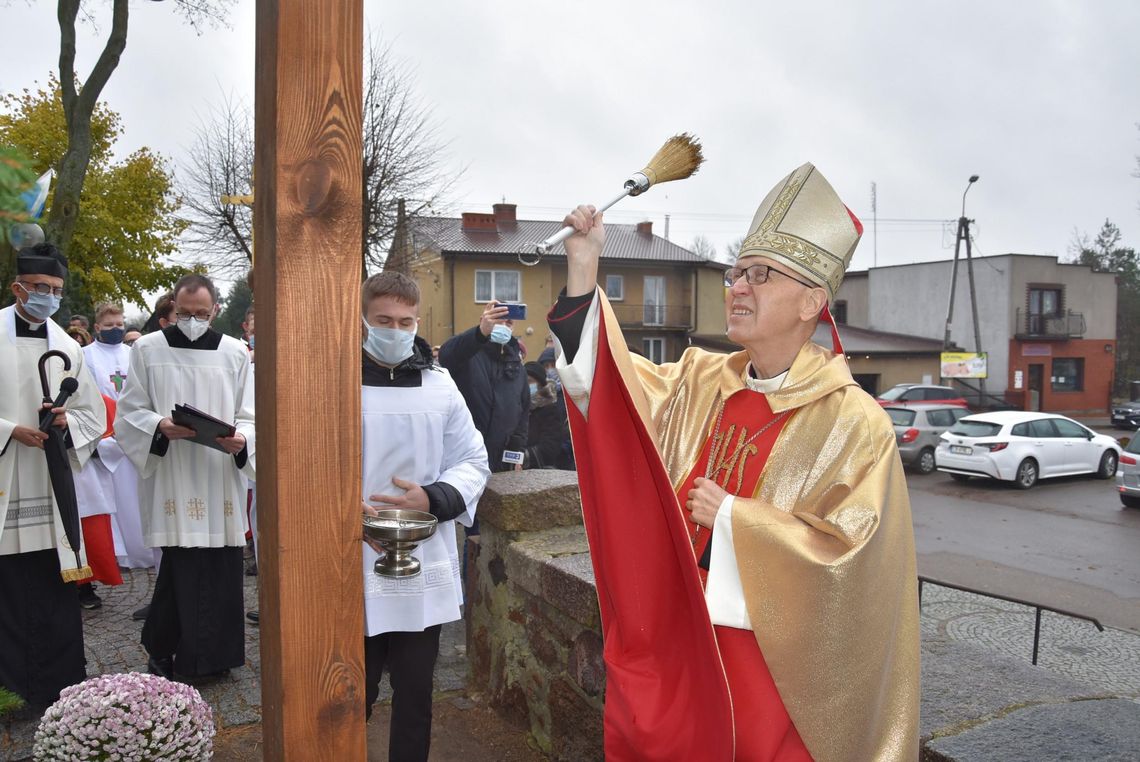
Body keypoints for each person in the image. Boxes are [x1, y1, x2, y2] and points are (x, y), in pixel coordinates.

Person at [547, 163, 919, 761]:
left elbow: (858, 565)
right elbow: (609, 392)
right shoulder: (699, 380)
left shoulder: (855, 423)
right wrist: (585, 267)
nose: (737, 287)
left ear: (811, 302)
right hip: (679, 649)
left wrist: (736, 522)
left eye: (759, 275)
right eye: (735, 272)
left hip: (771, 675)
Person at [358, 272, 489, 761]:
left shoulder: (439, 385)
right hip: (354, 555)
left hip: (422, 555)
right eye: (384, 320)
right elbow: (301, 460)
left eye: (405, 321)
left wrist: (433, 498)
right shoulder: (333, 383)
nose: (396, 330)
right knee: (353, 690)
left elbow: (474, 460)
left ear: (418, 320)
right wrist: (337, 508)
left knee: (416, 693)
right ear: (364, 320)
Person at [115, 273, 255, 681]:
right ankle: (162, 652)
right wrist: (159, 425)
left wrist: (243, 439)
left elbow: (250, 413)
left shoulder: (234, 352)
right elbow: (130, 411)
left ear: (214, 310)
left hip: (218, 475)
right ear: (173, 308)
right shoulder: (146, 349)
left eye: (201, 313)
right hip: (173, 475)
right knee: (179, 567)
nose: (193, 320)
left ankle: (215, 659)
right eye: (184, 312)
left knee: (222, 567)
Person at [0, 244, 106, 707]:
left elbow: (93, 414)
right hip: (7, 474)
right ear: (17, 287)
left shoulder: (67, 347)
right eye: (40, 289)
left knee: (52, 583)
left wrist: (67, 423)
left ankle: (59, 684)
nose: (48, 298)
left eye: (56, 291)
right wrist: (8, 431)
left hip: (49, 481)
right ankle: (11, 688)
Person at [84, 302, 155, 571]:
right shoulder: (86, 356)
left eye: (119, 324)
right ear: (97, 327)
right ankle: (117, 552)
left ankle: (142, 549)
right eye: (109, 325)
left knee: (136, 495)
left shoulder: (133, 352)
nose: (115, 329)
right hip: (106, 436)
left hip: (135, 431)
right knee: (111, 495)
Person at [438, 300, 528, 474]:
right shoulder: (468, 354)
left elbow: (522, 416)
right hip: (463, 459)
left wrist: (515, 456)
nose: (503, 324)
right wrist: (480, 333)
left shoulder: (517, 366)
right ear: (483, 321)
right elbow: (446, 355)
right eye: (497, 319)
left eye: (508, 322)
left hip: (500, 464)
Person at [521, 362, 570, 470]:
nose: (525, 385)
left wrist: (522, 457)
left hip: (541, 471)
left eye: (529, 381)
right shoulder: (518, 408)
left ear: (540, 384)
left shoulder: (550, 410)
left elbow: (550, 448)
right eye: (523, 381)